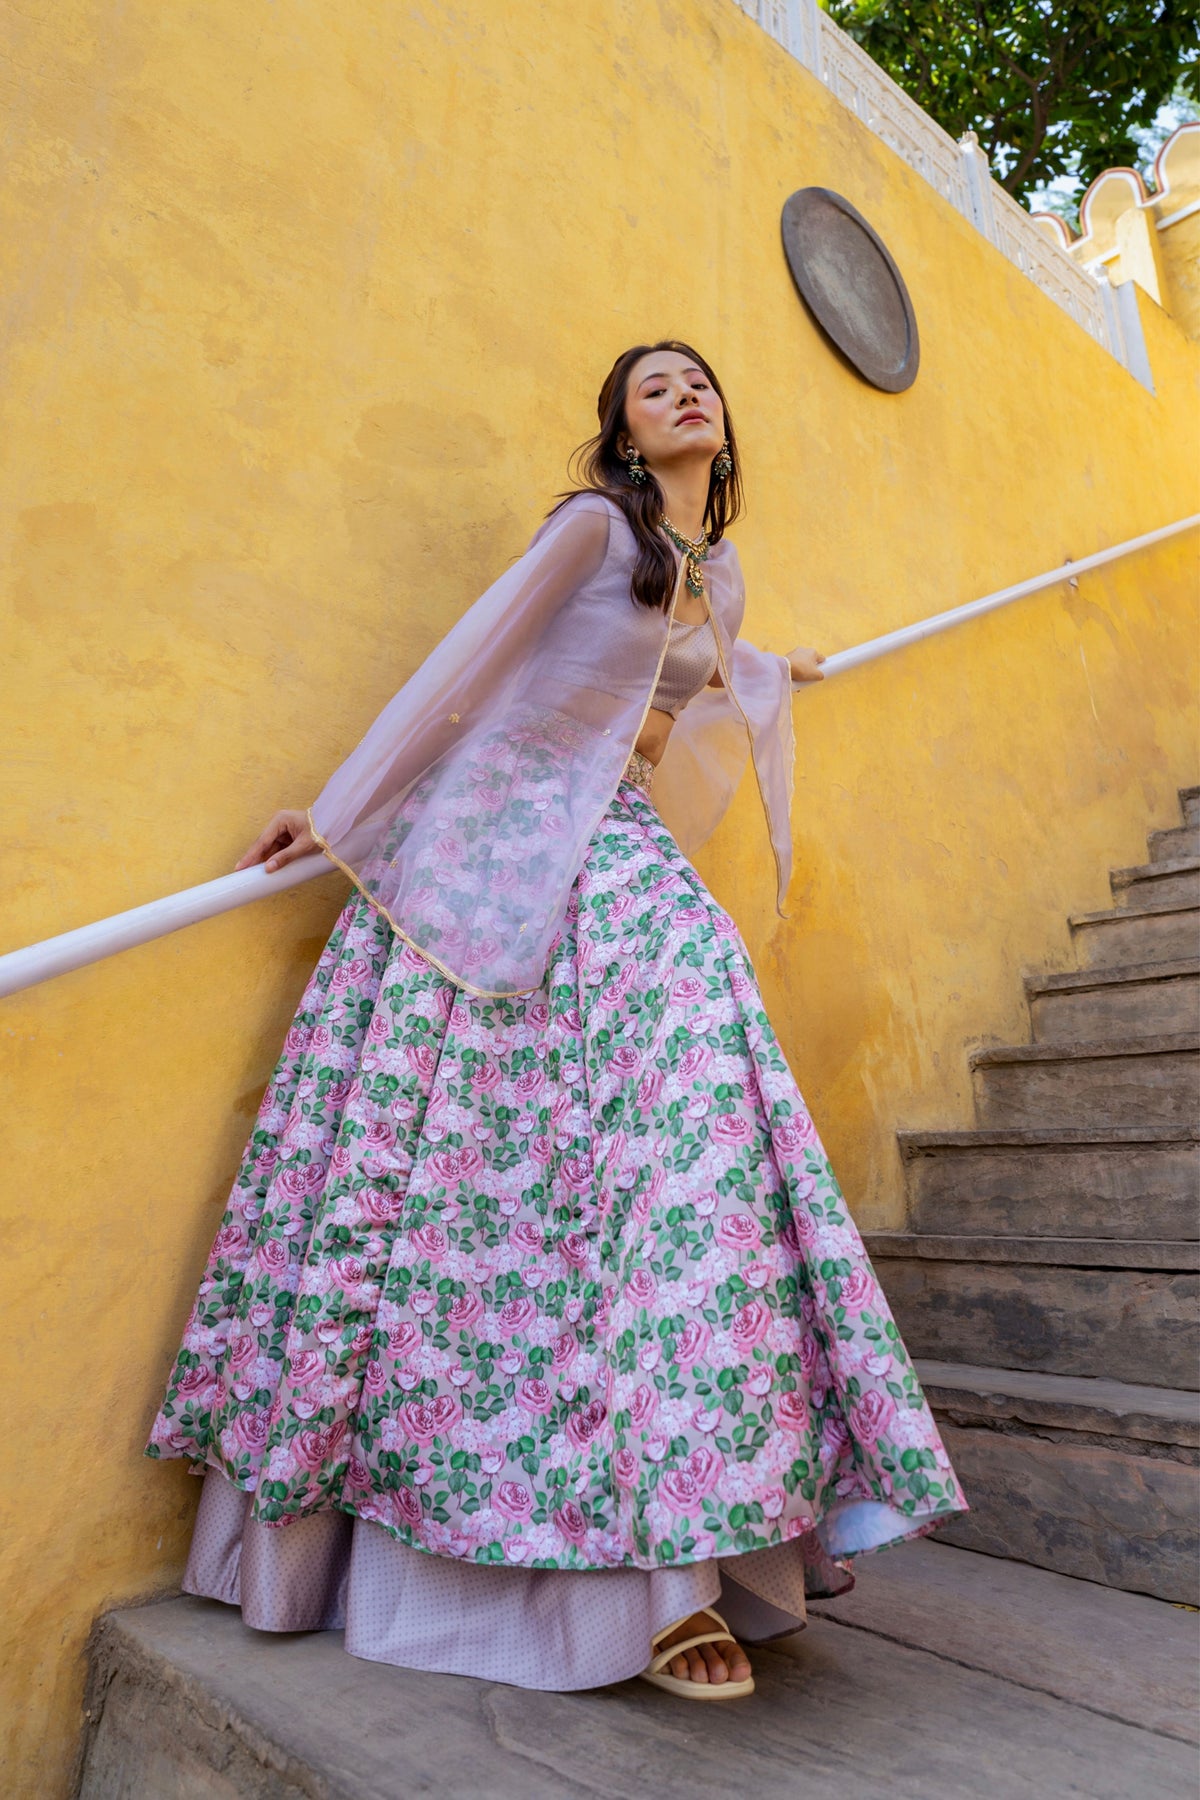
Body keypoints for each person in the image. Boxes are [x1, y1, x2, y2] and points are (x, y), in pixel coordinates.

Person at [147, 341, 967, 1700]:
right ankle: (628, 1572)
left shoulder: (723, 576)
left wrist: (772, 671)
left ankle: (697, 1531)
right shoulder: (593, 528)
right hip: (496, 847)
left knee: (690, 1117)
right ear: (626, 437)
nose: (686, 392)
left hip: (618, 844)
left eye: (700, 377)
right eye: (655, 387)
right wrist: (342, 812)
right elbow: (467, 667)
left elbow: (697, 679)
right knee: (476, 1165)